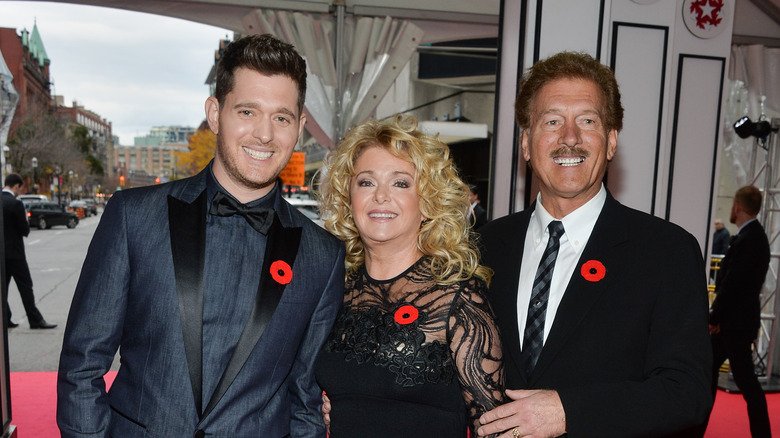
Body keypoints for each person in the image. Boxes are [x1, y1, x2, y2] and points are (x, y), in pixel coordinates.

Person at [57, 34, 345, 437]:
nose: (264, 134)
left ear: (298, 128)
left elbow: (305, 400)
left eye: (281, 117)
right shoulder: (134, 217)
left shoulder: (323, 256)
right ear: (215, 113)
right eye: (247, 111)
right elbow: (82, 365)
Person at [476, 52, 712, 437]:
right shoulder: (483, 246)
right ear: (525, 143)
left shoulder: (665, 251)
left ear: (612, 141)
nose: (570, 138)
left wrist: (569, 412)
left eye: (587, 121)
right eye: (552, 121)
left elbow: (687, 392)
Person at [315, 115, 505, 436]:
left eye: (400, 182)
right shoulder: (334, 289)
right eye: (366, 182)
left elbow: (495, 429)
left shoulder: (457, 297)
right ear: (349, 197)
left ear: (428, 202)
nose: (380, 196)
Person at [709, 186, 772, 437]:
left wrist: (715, 317)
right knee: (713, 372)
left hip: (734, 324)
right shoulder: (752, 237)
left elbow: (733, 284)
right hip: (735, 323)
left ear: (738, 206)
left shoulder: (751, 239)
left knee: (746, 382)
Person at [1, 173, 57, 329]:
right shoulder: (15, 204)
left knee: (2, 289)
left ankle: (5, 318)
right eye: (21, 188)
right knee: (25, 286)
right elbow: (25, 230)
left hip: (1, 254)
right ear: (16, 186)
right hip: (15, 254)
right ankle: (35, 320)